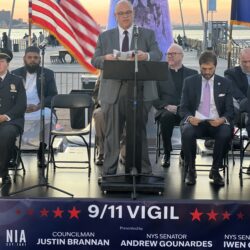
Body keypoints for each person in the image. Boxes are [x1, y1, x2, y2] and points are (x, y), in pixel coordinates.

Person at [91, 0, 162, 176]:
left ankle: (143, 171)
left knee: (139, 133)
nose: (125, 16)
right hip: (112, 94)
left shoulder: (146, 34)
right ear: (115, 16)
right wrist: (106, 58)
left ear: (133, 14)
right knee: (111, 136)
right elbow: (95, 60)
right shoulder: (105, 37)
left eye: (128, 13)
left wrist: (145, 55)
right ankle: (109, 172)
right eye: (121, 13)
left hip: (140, 92)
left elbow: (158, 54)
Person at [180, 51, 234, 186]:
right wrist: (190, 118)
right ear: (200, 67)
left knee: (226, 132)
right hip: (196, 122)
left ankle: (215, 170)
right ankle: (191, 170)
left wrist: (221, 120)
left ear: (215, 67)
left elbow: (230, 110)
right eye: (204, 69)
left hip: (217, 123)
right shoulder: (189, 82)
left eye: (210, 69)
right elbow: (183, 108)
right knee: (187, 132)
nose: (207, 72)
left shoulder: (225, 83)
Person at [12, 46, 58, 167]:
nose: (32, 60)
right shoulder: (15, 74)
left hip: (40, 109)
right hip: (21, 110)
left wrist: (38, 106)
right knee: (9, 120)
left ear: (40, 59)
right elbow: (11, 97)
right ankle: (15, 151)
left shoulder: (47, 74)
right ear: (24, 59)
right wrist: (21, 107)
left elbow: (53, 96)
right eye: (30, 57)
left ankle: (42, 151)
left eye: (35, 58)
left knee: (49, 117)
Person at [153, 43, 198, 168]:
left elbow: (196, 97)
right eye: (168, 54)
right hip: (167, 110)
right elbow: (154, 97)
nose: (170, 56)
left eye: (174, 54)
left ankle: (184, 153)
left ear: (182, 56)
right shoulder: (160, 74)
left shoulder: (192, 73)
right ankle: (167, 153)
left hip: (186, 110)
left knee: (189, 121)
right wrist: (166, 106)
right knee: (166, 118)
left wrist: (182, 108)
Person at [0, 48, 27, 184]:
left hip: (11, 122)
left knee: (6, 134)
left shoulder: (16, 81)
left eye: (2, 61)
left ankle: (3, 173)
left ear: (7, 64)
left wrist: (5, 116)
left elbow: (21, 105)